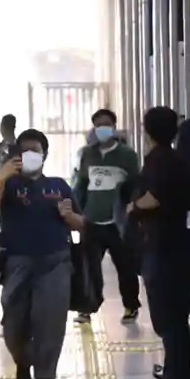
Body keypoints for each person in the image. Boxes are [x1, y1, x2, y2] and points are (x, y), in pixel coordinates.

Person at [0, 128, 85, 379]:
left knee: (50, 322)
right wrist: (2, 177)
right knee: (13, 322)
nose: (31, 155)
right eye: (25, 151)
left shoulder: (59, 186)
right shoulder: (9, 185)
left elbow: (82, 225)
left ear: (45, 155)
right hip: (16, 262)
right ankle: (22, 359)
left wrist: (69, 217)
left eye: (35, 151)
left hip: (56, 261)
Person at [126, 107, 190, 379]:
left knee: (168, 320)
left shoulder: (159, 160)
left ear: (146, 131)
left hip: (165, 250)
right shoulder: (180, 160)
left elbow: (154, 197)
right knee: (176, 320)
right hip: (182, 248)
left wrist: (133, 207)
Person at [73, 108, 142, 324]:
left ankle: (131, 305)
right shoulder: (87, 154)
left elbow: (134, 185)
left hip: (117, 222)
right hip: (91, 220)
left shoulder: (127, 155)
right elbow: (81, 186)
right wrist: (78, 215)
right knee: (89, 266)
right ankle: (87, 306)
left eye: (106, 124)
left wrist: (132, 211)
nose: (102, 128)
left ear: (113, 126)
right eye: (98, 125)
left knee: (125, 266)